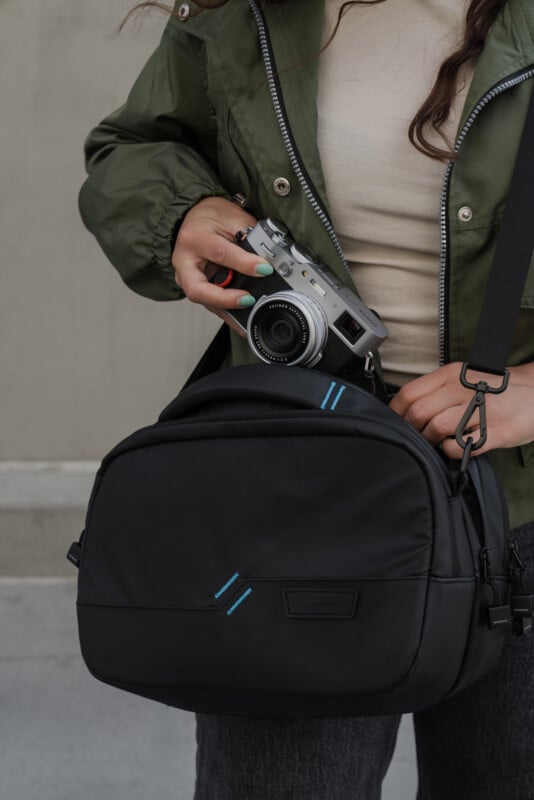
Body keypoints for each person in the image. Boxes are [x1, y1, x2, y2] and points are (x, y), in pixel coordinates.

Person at [79, 0, 534, 797]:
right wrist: (182, 212)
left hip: (524, 504)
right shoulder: (243, 12)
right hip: (298, 497)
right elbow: (137, 146)